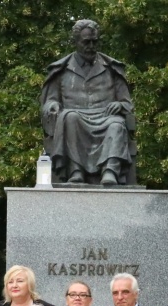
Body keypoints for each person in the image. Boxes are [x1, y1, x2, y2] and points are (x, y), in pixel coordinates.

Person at [40, 19, 134, 185]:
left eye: (94, 41)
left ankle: (110, 171)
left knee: (117, 125)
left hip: (106, 117)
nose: (91, 46)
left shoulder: (112, 68)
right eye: (86, 42)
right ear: (75, 42)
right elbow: (50, 100)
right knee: (69, 118)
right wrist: (52, 105)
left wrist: (120, 105)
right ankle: (76, 172)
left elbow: (127, 103)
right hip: (76, 116)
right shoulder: (61, 70)